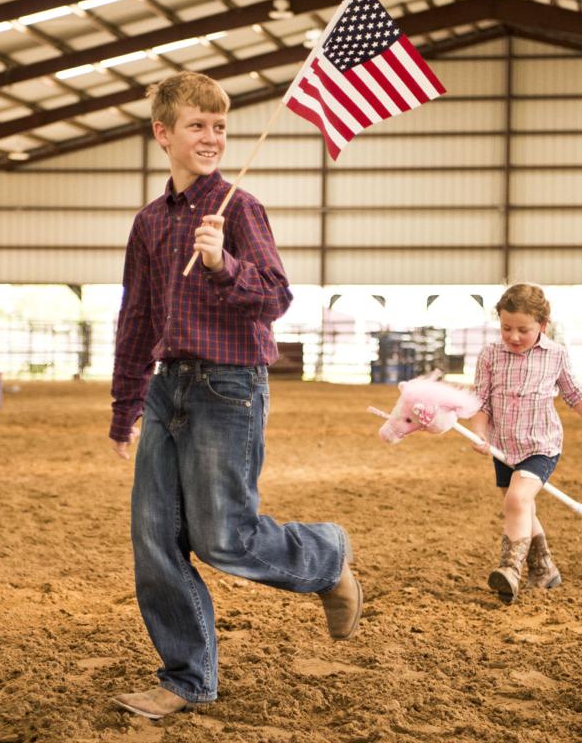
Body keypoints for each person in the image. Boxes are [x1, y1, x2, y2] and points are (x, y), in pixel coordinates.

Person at [108, 72, 361, 720]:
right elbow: (136, 317)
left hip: (229, 387)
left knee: (226, 539)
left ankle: (327, 556)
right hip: (168, 391)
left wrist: (225, 265)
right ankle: (186, 677)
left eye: (219, 127)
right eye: (197, 125)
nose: (212, 137)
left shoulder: (239, 209)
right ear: (163, 133)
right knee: (154, 538)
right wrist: (125, 405)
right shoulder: (148, 225)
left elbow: (275, 297)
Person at [467, 283, 582, 603]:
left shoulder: (556, 355)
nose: (514, 336)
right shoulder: (490, 355)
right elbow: (480, 401)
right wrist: (480, 432)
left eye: (523, 329)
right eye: (506, 328)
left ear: (543, 326)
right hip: (503, 448)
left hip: (541, 445)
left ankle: (510, 568)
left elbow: (576, 394)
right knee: (522, 507)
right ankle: (545, 568)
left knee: (517, 501)